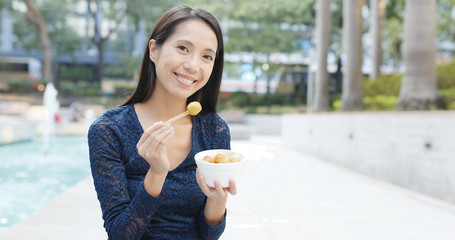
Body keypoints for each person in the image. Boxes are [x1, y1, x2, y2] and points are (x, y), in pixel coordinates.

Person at [88, 5, 236, 240]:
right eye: (183, 48)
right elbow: (120, 234)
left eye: (207, 56)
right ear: (154, 50)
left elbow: (209, 235)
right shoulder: (109, 130)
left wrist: (218, 200)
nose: (193, 65)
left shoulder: (214, 130)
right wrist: (157, 172)